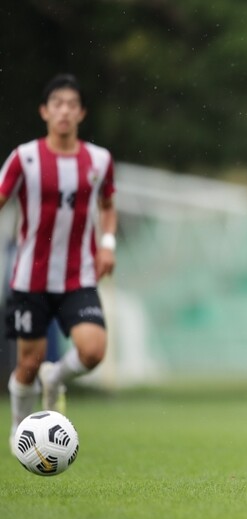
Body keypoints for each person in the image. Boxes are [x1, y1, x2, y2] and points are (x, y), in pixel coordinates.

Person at [1, 73, 117, 448]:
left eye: (71, 104)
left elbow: (108, 204)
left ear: (81, 112)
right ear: (44, 111)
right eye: (57, 104)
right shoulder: (25, 157)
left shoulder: (99, 160)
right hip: (29, 279)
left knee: (93, 351)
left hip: (77, 277)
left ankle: (56, 377)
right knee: (27, 365)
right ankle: (20, 432)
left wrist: (107, 243)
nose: (64, 111)